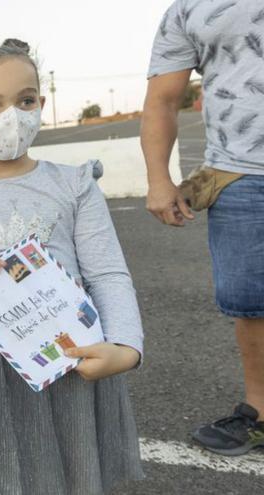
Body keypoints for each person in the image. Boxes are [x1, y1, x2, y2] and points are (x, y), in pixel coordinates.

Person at [0, 40, 144, 494]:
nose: (12, 117)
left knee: (71, 470)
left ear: (41, 101)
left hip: (67, 354)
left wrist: (126, 348)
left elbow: (108, 273)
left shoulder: (74, 184)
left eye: (26, 101)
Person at [142, 0, 264, 456]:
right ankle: (260, 414)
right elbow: (163, 98)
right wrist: (159, 179)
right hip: (239, 173)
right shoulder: (186, 10)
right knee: (252, 306)